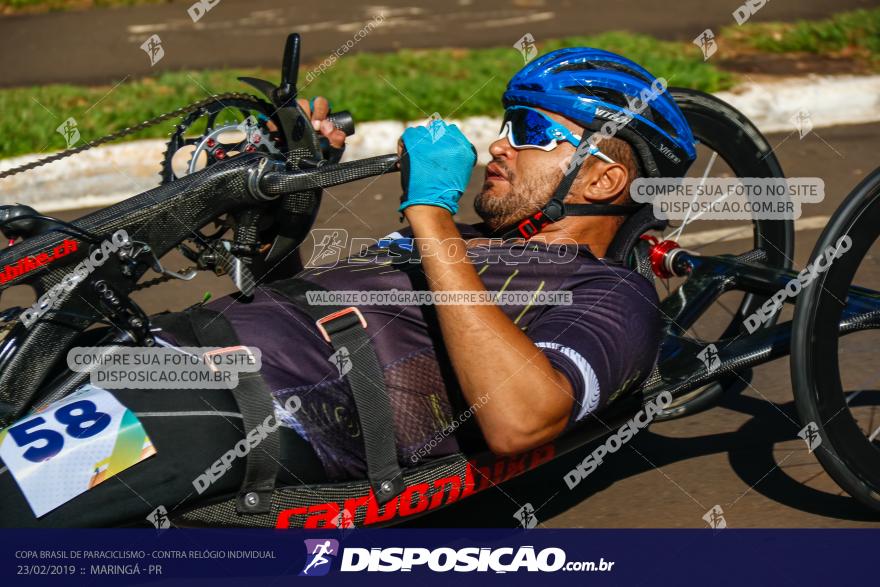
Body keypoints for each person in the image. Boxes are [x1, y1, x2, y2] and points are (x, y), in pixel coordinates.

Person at [0, 47, 696, 526]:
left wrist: (429, 213)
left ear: (604, 179)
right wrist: (287, 201)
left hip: (223, 410)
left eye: (531, 129)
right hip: (153, 352)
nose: (498, 144)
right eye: (506, 122)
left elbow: (523, 418)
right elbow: (293, 310)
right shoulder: (470, 247)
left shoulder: (611, 297)